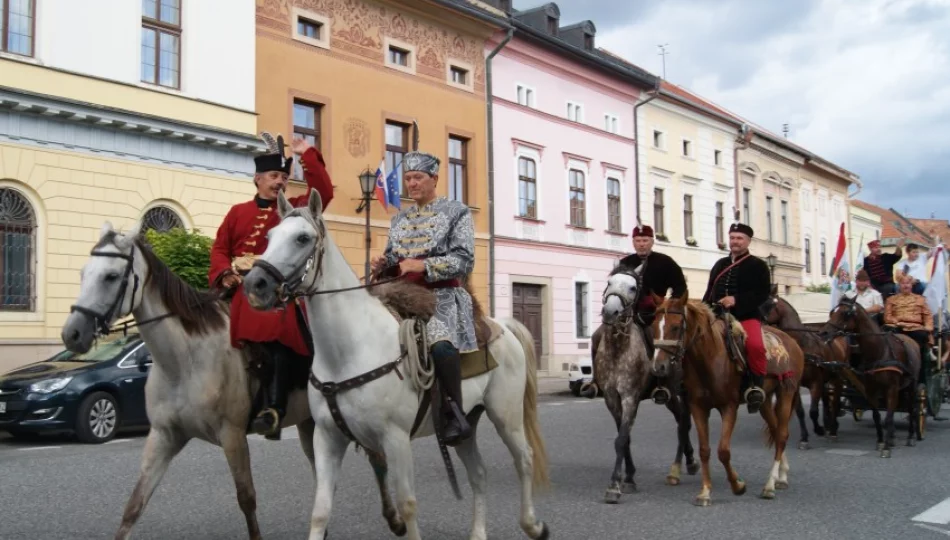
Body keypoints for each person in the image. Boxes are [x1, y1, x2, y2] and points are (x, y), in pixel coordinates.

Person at [209, 133, 335, 439]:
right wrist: (224, 272)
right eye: (274, 176)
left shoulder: (292, 209)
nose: (280, 182)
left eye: (284, 177)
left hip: (278, 293)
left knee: (276, 335)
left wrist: (307, 155)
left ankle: (276, 408)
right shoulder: (237, 212)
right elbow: (220, 249)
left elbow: (324, 193)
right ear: (258, 179)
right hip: (238, 287)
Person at [370, 151, 476, 447]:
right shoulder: (400, 218)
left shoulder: (457, 212)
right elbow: (394, 256)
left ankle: (454, 412)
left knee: (440, 344)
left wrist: (425, 265)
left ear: (435, 179)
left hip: (440, 294)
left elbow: (465, 260)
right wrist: (384, 264)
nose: (412, 184)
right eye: (407, 178)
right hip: (400, 292)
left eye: (418, 177)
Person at [590, 224, 688, 403]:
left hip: (652, 316)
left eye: (645, 241)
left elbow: (680, 287)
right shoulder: (625, 263)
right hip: (626, 316)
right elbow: (613, 287)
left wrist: (667, 305)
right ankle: (596, 381)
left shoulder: (666, 262)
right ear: (633, 242)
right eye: (638, 241)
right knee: (597, 336)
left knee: (655, 341)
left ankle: (661, 384)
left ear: (652, 241)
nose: (641, 244)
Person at [702, 221, 771, 413]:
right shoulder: (720, 264)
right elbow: (710, 292)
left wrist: (736, 300)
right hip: (717, 316)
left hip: (745, 316)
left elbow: (763, 293)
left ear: (748, 241)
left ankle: (756, 387)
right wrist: (703, 311)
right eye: (732, 238)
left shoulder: (758, 265)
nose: (735, 241)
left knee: (755, 346)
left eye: (739, 238)